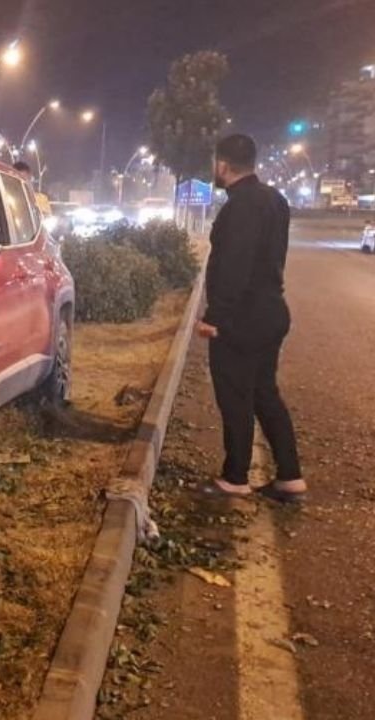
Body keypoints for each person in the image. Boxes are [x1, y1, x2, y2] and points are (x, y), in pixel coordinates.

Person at [198, 134, 303, 502]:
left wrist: (215, 315)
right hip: (271, 310)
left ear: (223, 165)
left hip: (241, 318)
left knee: (235, 395)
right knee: (263, 392)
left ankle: (235, 477)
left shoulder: (240, 206)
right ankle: (290, 476)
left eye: (216, 164)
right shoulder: (275, 200)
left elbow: (235, 265)